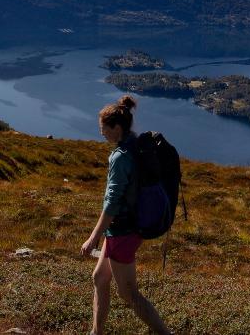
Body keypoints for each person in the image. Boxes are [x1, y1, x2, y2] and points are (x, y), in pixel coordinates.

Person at [79, 95, 172, 335]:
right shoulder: (134, 143)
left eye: (104, 129)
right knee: (100, 278)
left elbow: (112, 202)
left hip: (123, 230)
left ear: (116, 128)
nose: (101, 134)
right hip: (124, 228)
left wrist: (93, 238)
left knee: (128, 293)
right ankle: (96, 333)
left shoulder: (120, 157)